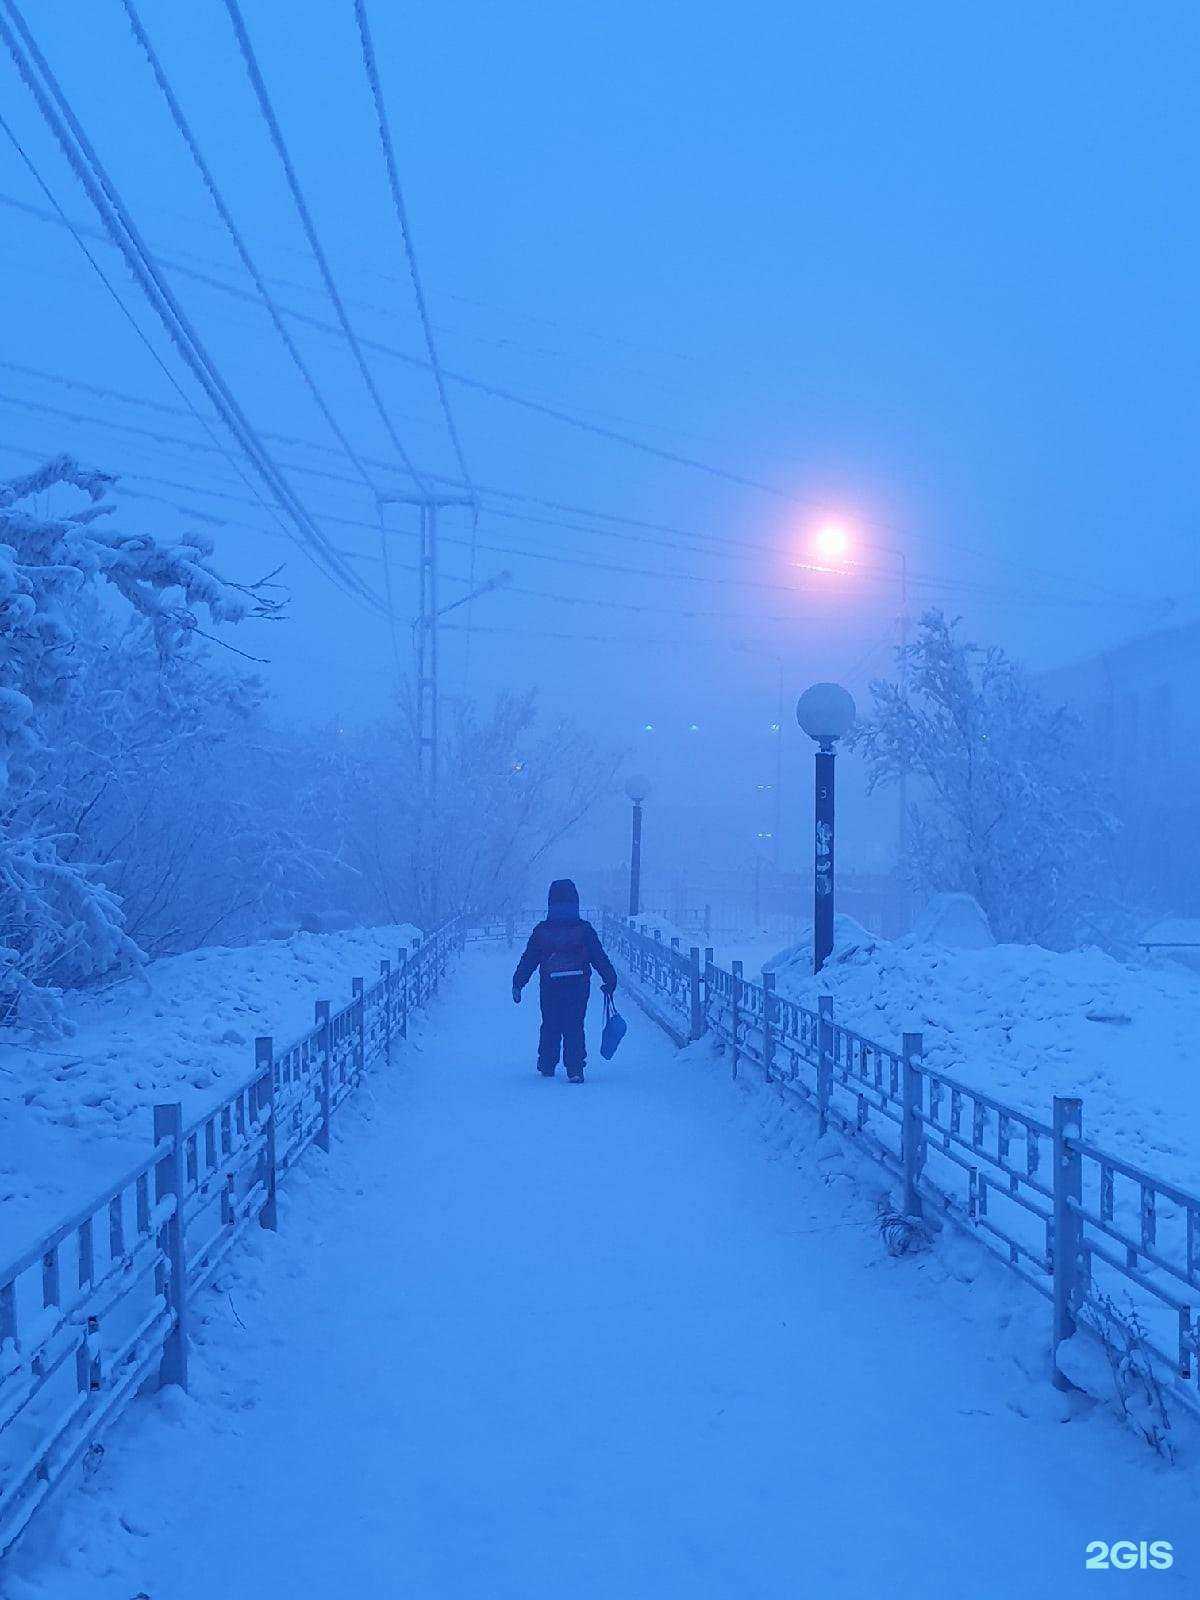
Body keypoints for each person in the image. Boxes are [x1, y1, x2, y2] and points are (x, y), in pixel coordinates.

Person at [512, 880, 617, 1083]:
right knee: (574, 1024)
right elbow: (599, 956)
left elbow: (529, 959)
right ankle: (575, 1068)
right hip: (578, 985)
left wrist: (518, 982)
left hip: (550, 985)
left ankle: (547, 1064)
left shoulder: (542, 931)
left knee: (550, 1023)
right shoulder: (584, 930)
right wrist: (610, 979)